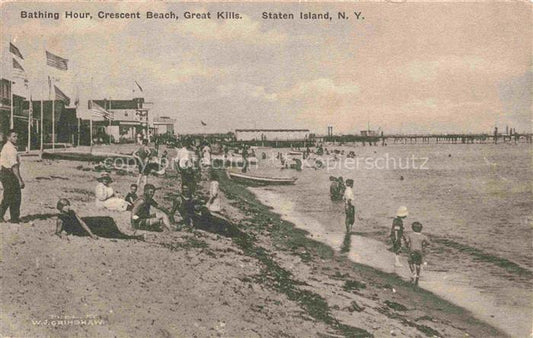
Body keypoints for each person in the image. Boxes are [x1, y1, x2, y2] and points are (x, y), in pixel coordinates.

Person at [0, 130, 24, 223]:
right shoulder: (10, 148)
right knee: (14, 196)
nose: (16, 138)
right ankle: (14, 218)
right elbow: (14, 166)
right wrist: (20, 180)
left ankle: (13, 217)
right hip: (8, 173)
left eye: (17, 136)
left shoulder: (10, 147)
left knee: (10, 196)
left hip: (6, 173)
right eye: (14, 136)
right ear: (8, 137)